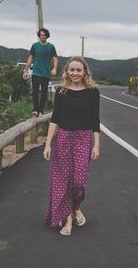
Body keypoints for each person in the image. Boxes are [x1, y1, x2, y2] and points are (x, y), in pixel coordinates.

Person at [43, 57, 100, 236]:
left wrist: (96, 145)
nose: (75, 73)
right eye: (72, 70)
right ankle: (68, 220)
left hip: (83, 139)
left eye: (79, 70)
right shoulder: (61, 92)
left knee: (78, 182)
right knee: (63, 181)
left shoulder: (93, 92)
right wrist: (48, 144)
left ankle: (76, 207)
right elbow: (55, 119)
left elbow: (95, 120)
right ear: (67, 71)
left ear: (85, 72)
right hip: (63, 138)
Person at [23, 28, 58, 117]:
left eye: (44, 35)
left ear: (47, 36)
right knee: (35, 91)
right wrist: (26, 70)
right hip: (36, 72)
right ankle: (35, 110)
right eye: (41, 35)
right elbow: (30, 57)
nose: (42, 37)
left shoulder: (51, 47)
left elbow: (55, 58)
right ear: (39, 36)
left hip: (45, 73)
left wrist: (54, 68)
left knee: (44, 92)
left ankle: (41, 111)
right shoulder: (35, 46)